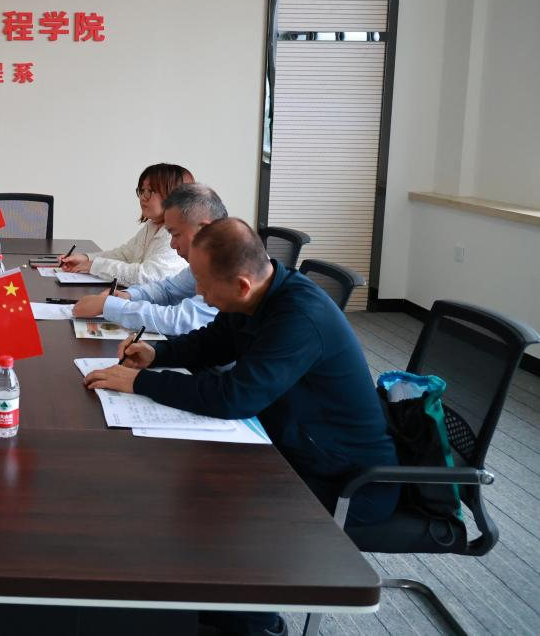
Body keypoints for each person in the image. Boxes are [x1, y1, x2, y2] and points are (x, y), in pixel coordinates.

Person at [85, 218, 397, 636]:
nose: (198, 292)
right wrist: (157, 354)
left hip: (345, 477)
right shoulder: (256, 297)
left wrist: (141, 383)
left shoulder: (300, 316)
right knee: (185, 483)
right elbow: (212, 342)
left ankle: (256, 625)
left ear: (242, 285)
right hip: (288, 444)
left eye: (203, 283)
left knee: (226, 506)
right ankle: (201, 602)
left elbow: (235, 396)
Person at [72, 182, 225, 335]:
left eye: (176, 234)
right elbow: (168, 290)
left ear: (203, 229)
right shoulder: (204, 262)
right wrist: (129, 295)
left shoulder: (228, 267)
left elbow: (179, 320)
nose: (172, 245)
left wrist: (108, 306)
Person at [60, 163, 190, 285]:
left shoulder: (173, 235)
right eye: (142, 190)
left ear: (173, 195)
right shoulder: (152, 226)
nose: (142, 197)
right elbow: (125, 255)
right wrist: (87, 259)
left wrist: (95, 266)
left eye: (149, 191)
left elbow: (146, 277)